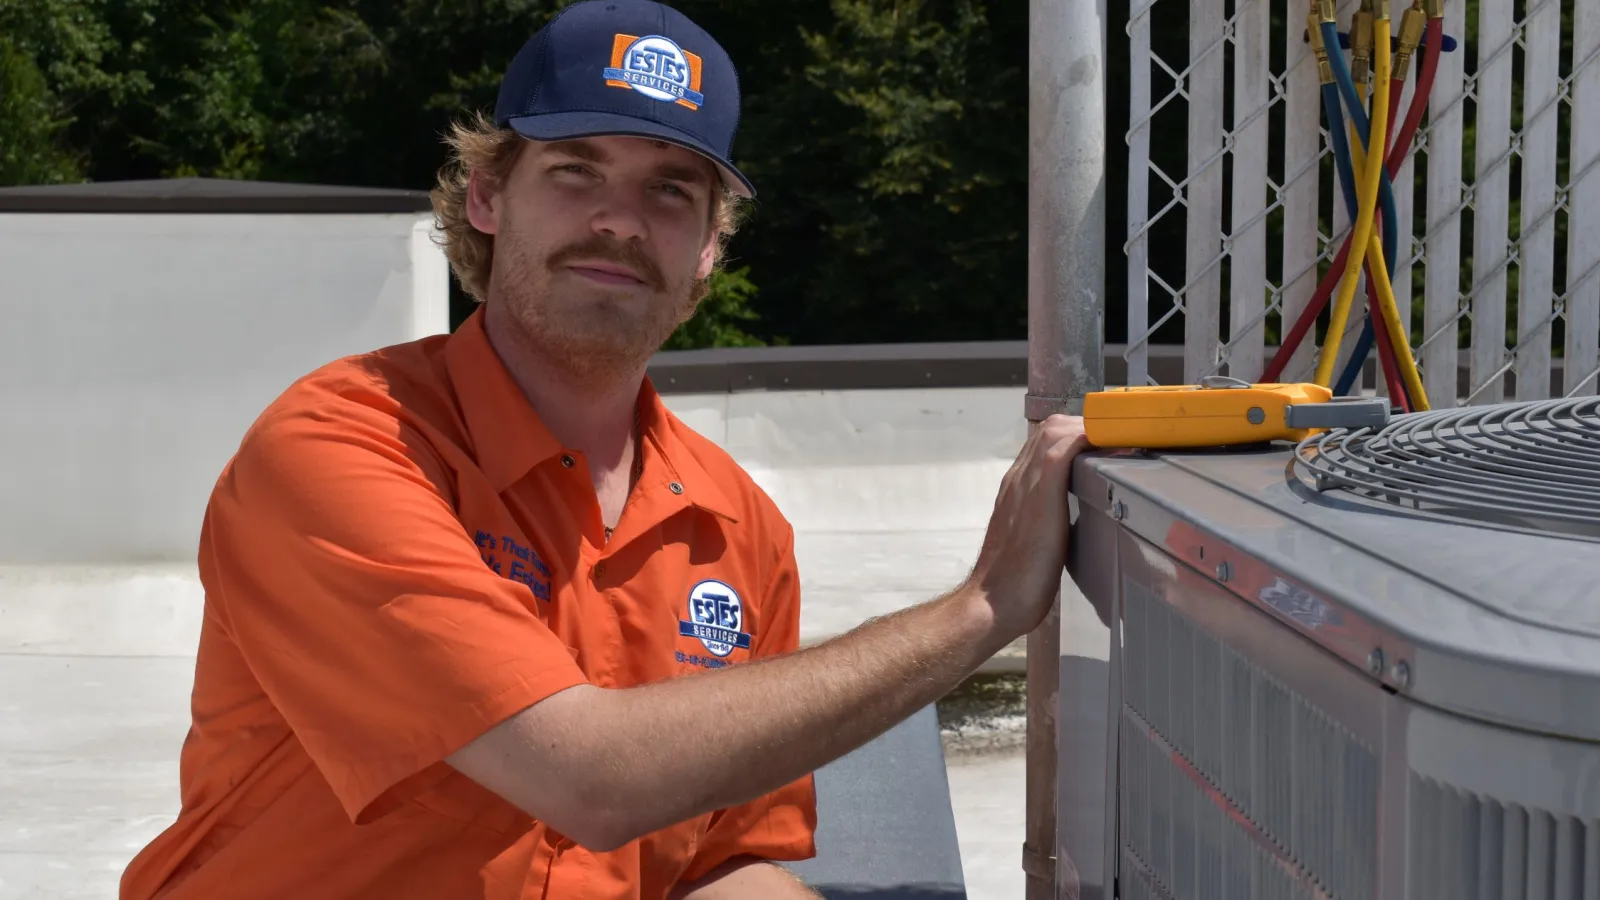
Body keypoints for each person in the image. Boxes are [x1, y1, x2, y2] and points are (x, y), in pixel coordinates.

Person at [118, 1, 1091, 898]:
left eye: (671, 190)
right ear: (489, 197)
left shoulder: (737, 528)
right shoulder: (345, 445)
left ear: (709, 246)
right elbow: (584, 776)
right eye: (576, 169)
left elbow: (719, 861)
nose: (619, 220)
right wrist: (979, 610)